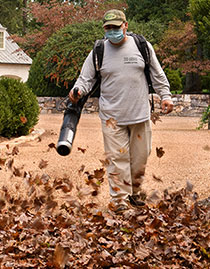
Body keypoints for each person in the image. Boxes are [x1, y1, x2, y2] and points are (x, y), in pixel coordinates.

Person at [68, 9, 174, 213]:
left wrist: (166, 96)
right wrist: (78, 90)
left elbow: (157, 74)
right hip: (112, 117)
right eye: (108, 28)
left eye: (116, 27)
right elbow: (86, 78)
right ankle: (119, 201)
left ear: (125, 26)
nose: (112, 31)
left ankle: (134, 193)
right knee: (117, 159)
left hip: (139, 114)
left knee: (140, 159)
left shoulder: (142, 46)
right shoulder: (99, 50)